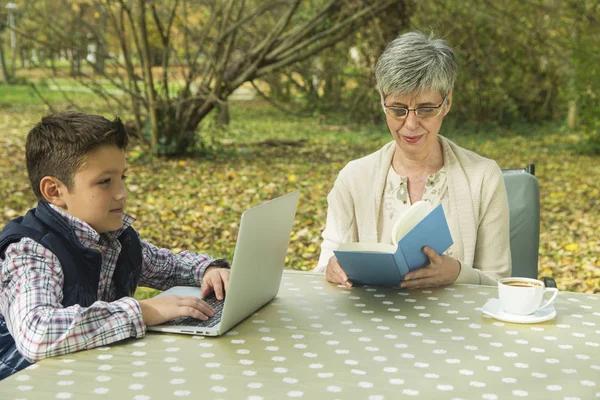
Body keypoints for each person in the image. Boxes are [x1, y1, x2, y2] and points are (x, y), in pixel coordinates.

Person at [0, 112, 231, 380]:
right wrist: (145, 311)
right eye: (105, 181)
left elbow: (168, 266)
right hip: (22, 383)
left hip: (89, 376)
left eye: (123, 177)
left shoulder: (112, 237)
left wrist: (209, 269)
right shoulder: (31, 252)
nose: (123, 193)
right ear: (54, 191)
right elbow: (37, 334)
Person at [315, 31, 511, 288]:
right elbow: (324, 269)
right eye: (397, 109)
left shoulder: (483, 177)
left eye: (426, 109)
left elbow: (501, 284)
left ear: (447, 102)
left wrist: (458, 274)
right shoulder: (353, 178)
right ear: (382, 102)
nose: (410, 124)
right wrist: (331, 270)